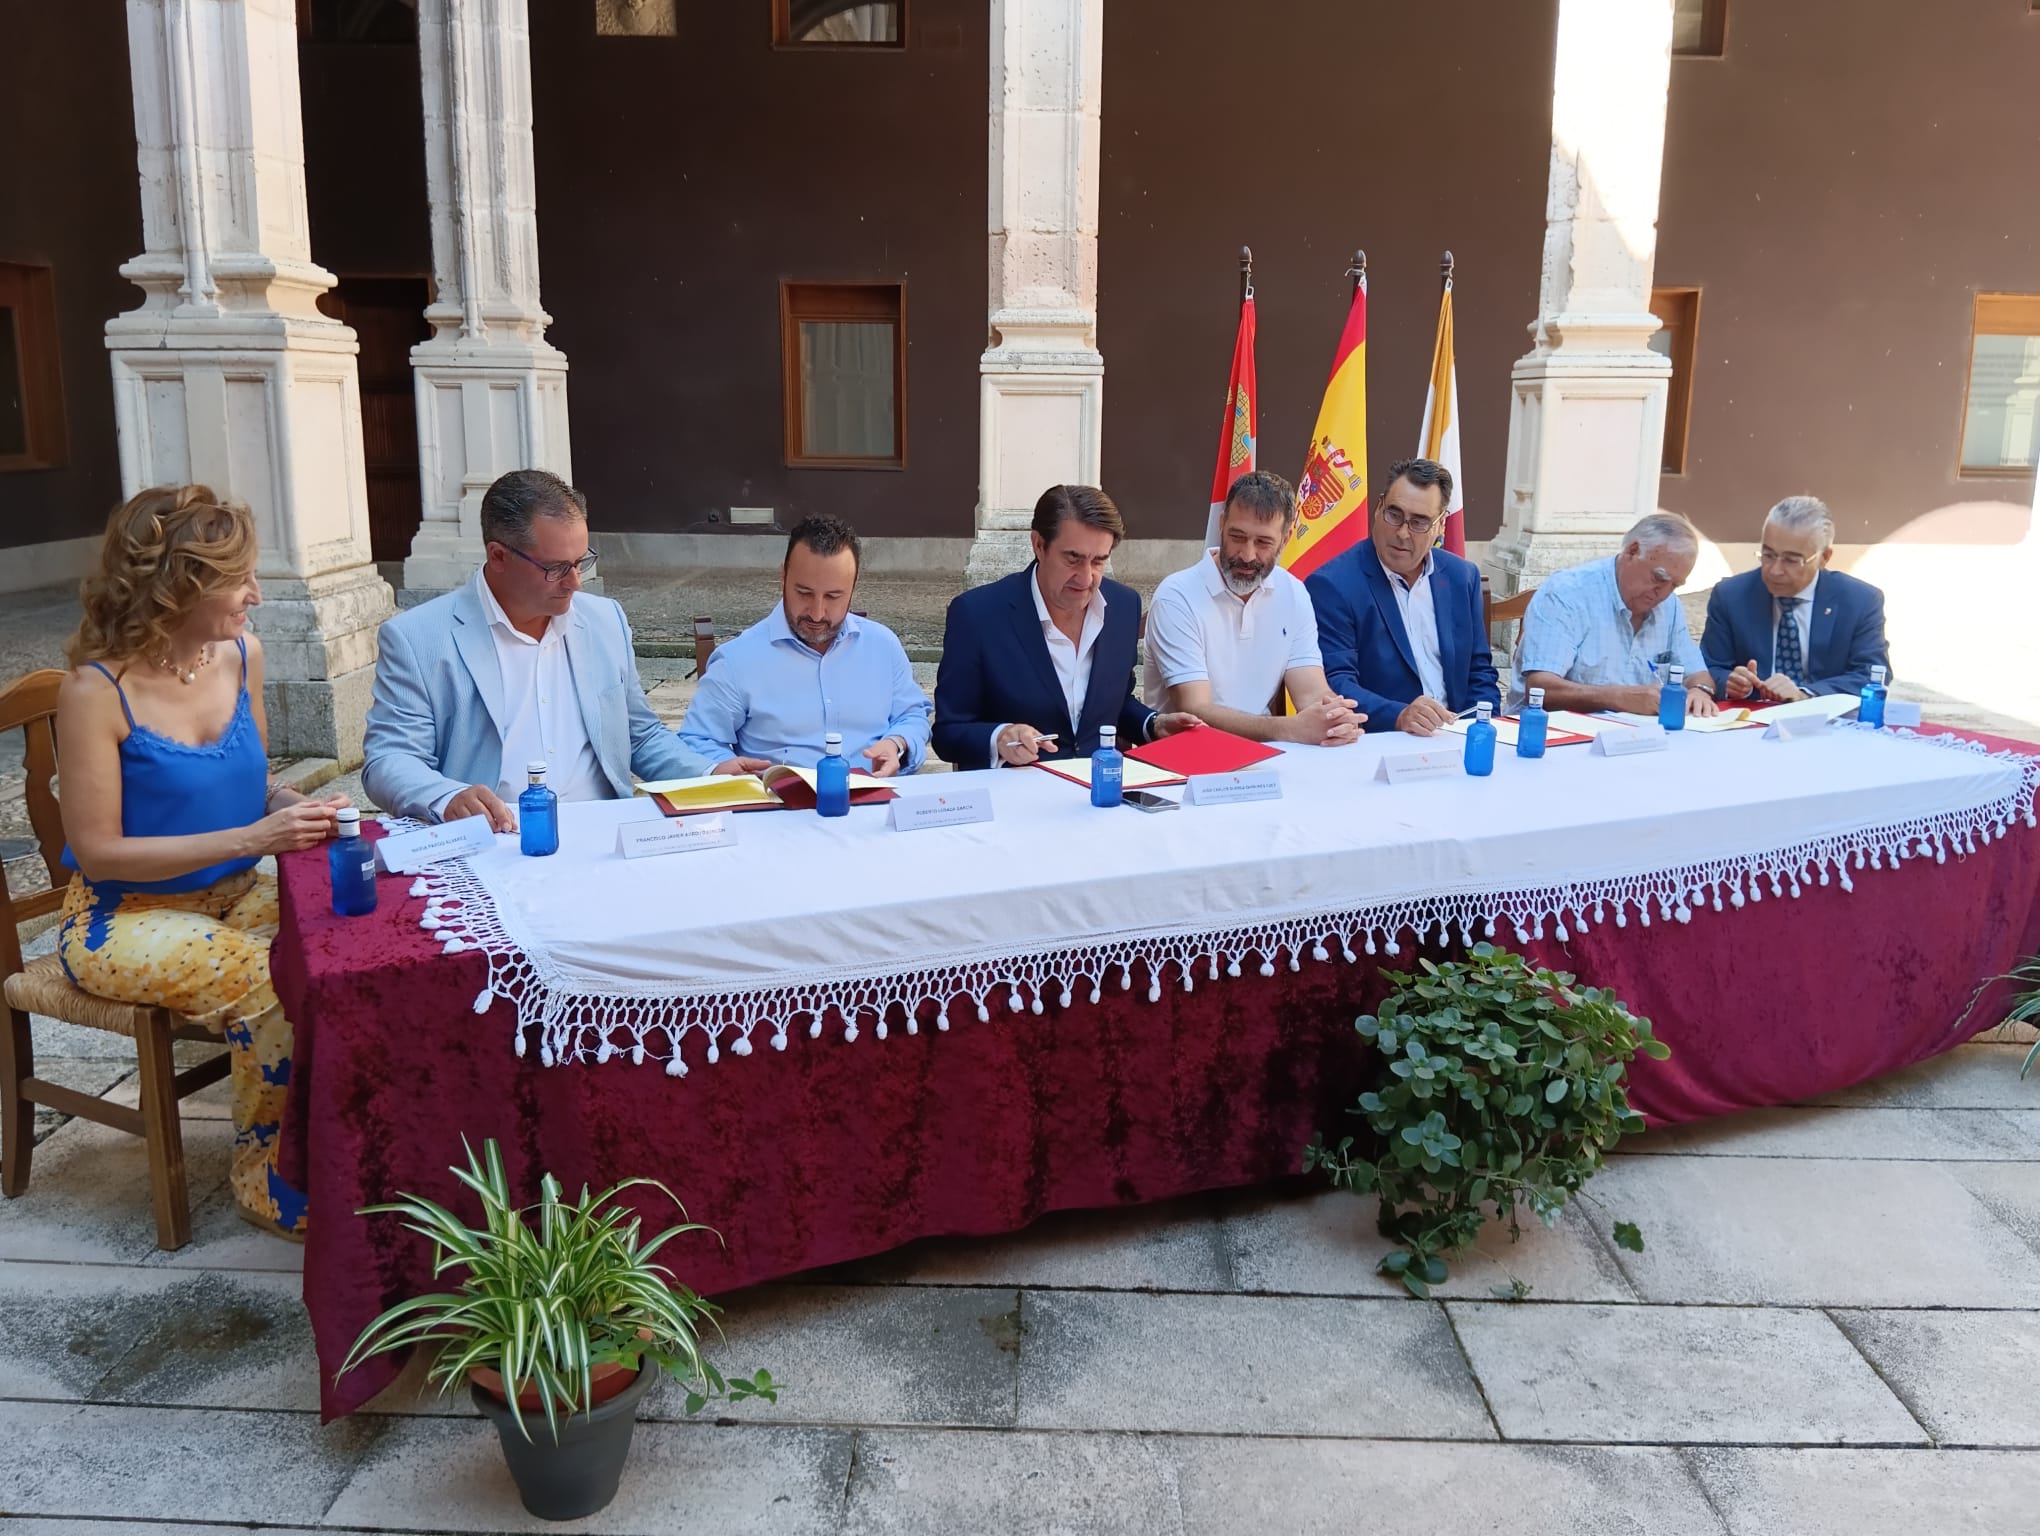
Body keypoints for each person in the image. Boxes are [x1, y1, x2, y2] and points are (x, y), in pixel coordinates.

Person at [54, 486, 341, 1240]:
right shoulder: (94, 691)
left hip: (232, 892)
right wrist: (254, 840)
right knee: (268, 983)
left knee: (349, 938)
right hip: (121, 920)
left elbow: (251, 783)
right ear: (178, 585)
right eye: (237, 578)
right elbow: (99, 850)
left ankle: (344, 1145)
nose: (255, 593)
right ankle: (266, 1179)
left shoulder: (242, 652)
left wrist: (287, 807)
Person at [363, 469, 749, 825]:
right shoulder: (419, 638)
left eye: (581, 562)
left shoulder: (604, 620)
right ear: (498, 556)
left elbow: (639, 735)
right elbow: (389, 759)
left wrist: (709, 774)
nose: (576, 583)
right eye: (556, 568)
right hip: (495, 840)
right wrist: (447, 796)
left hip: (602, 831)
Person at [932, 485, 1199, 771]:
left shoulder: (1123, 606)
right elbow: (948, 733)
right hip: (1017, 795)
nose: (1086, 578)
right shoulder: (978, 614)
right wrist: (1000, 737)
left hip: (1100, 792)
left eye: (1099, 561)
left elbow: (1113, 703)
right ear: (1038, 545)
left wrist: (1153, 725)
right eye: (1073, 559)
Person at [677, 514, 931, 773]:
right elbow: (697, 740)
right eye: (804, 593)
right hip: (779, 807)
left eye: (833, 596)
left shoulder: (883, 646)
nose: (817, 613)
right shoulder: (738, 660)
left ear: (853, 588)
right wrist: (726, 770)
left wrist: (896, 744)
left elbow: (912, 715)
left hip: (876, 799)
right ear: (783, 577)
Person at [1145, 470, 1362, 745]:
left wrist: (1334, 719)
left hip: (1266, 758)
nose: (1247, 555)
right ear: (1221, 525)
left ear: (1285, 540)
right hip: (1185, 762)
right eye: (1237, 537)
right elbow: (1194, 709)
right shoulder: (1177, 596)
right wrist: (1289, 728)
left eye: (1263, 542)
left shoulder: (1293, 592)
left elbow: (1309, 692)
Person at [1304, 457, 1499, 736]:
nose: (1403, 533)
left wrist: (1483, 730)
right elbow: (1336, 683)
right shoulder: (1332, 585)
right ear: (1378, 507)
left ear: (1441, 525)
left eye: (1419, 522)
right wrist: (1400, 716)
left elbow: (1479, 672)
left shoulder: (1461, 577)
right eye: (1394, 514)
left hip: (1458, 735)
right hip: (1382, 739)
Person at [1517, 511, 1720, 718]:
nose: (1664, 592)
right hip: (1557, 733)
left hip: (1639, 736)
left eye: (1674, 585)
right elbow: (1541, 690)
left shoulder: (1670, 606)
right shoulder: (1568, 593)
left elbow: (1698, 674)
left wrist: (1700, 691)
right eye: (1659, 577)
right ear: (1632, 551)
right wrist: (1619, 698)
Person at [1701, 495, 1891, 702]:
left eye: (1791, 560)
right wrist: (1731, 682)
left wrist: (1804, 694)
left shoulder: (1860, 601)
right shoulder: (1731, 596)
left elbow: (1871, 674)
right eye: (1768, 554)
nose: (1775, 570)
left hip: (1825, 719)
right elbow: (1707, 667)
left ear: (1824, 558)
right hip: (1749, 717)